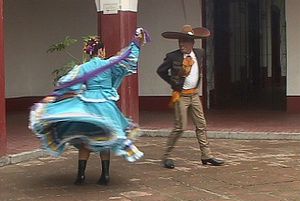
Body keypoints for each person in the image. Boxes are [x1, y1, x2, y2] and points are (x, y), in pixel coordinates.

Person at [29, 28, 149, 185]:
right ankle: (105, 176)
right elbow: (128, 59)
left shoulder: (82, 68)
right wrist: (136, 42)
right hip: (106, 106)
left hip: (87, 106)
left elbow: (66, 82)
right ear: (101, 51)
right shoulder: (109, 63)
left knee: (85, 140)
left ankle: (81, 176)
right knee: (106, 138)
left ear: (89, 52)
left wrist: (55, 95)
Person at [157, 25, 224, 169]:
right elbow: (161, 71)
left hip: (194, 94)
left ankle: (206, 155)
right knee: (180, 127)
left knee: (201, 125)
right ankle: (166, 156)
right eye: (180, 41)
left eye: (185, 41)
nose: (181, 44)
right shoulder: (172, 56)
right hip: (180, 95)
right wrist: (173, 83)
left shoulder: (199, 53)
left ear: (192, 43)